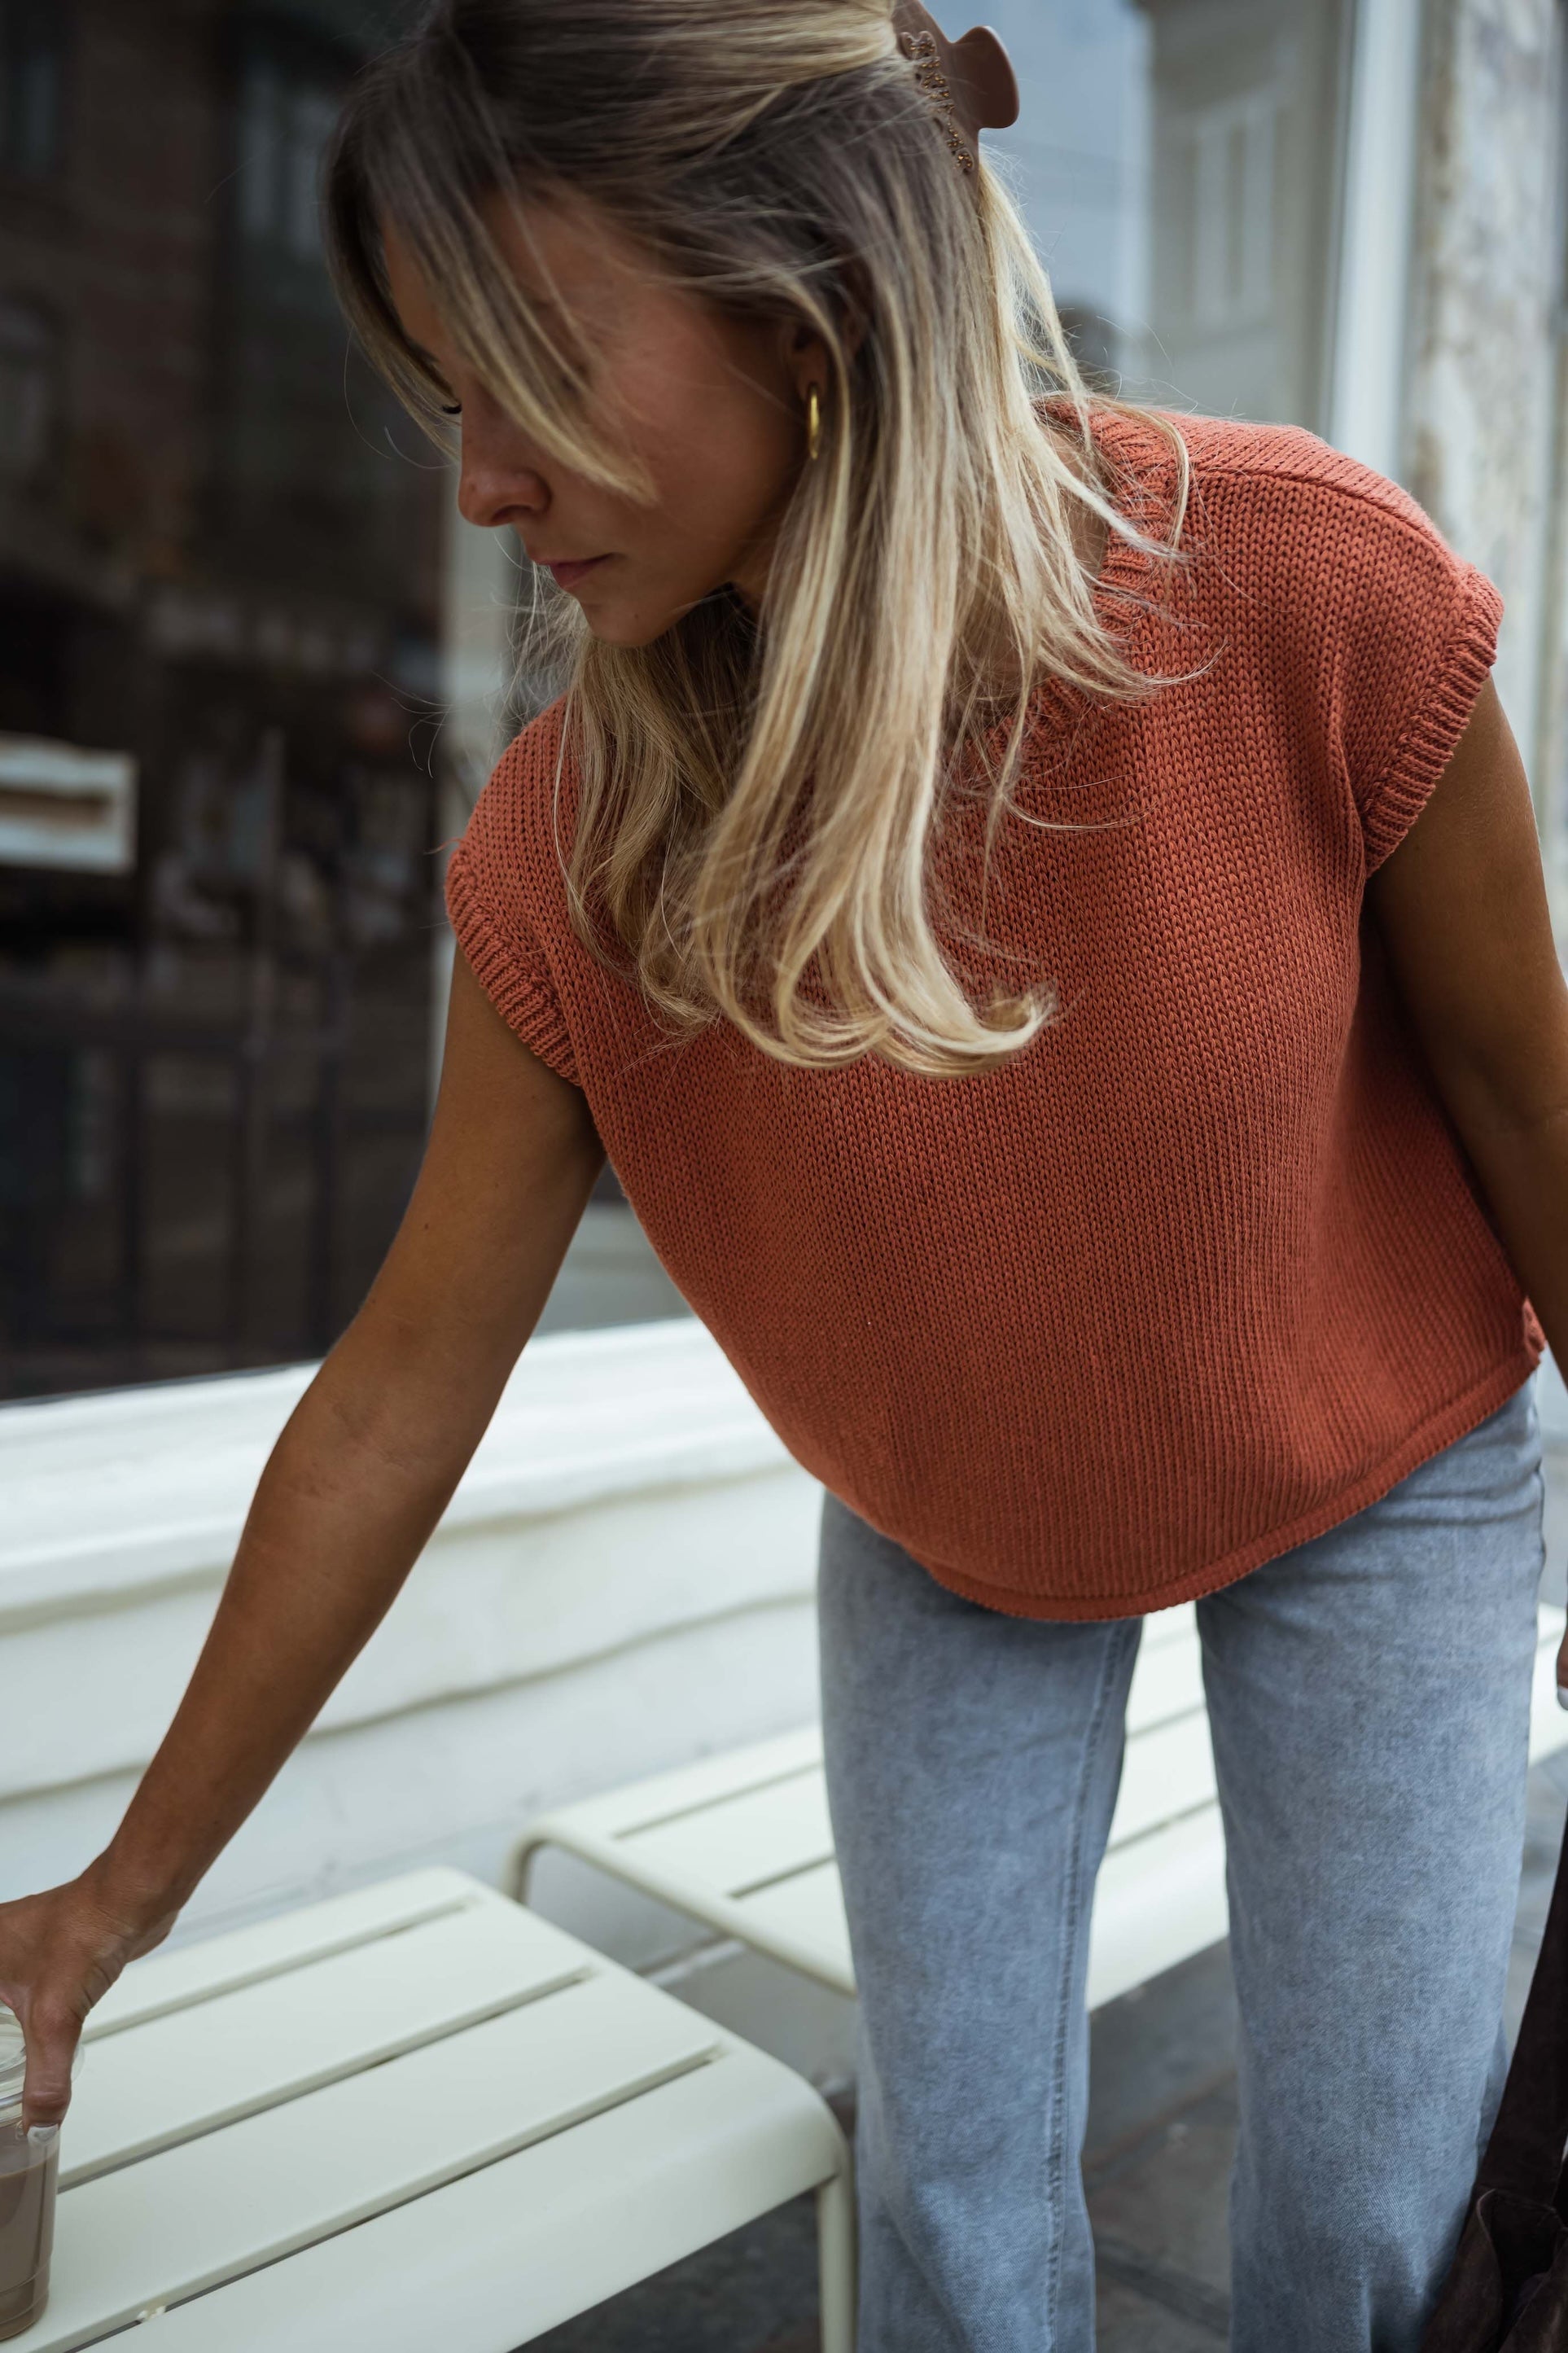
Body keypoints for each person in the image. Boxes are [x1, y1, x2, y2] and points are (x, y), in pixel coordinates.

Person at [3, 4, 1566, 2346]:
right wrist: (105, 1906)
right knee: (953, 2217)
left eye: (529, 366)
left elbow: (1531, 1105)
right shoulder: (576, 859)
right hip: (952, 1517)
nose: (480, 492)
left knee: (1364, 2231)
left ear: (802, 285)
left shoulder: (1307, 596)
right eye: (449, 400)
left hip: (1384, 1458)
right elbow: (400, 1392)